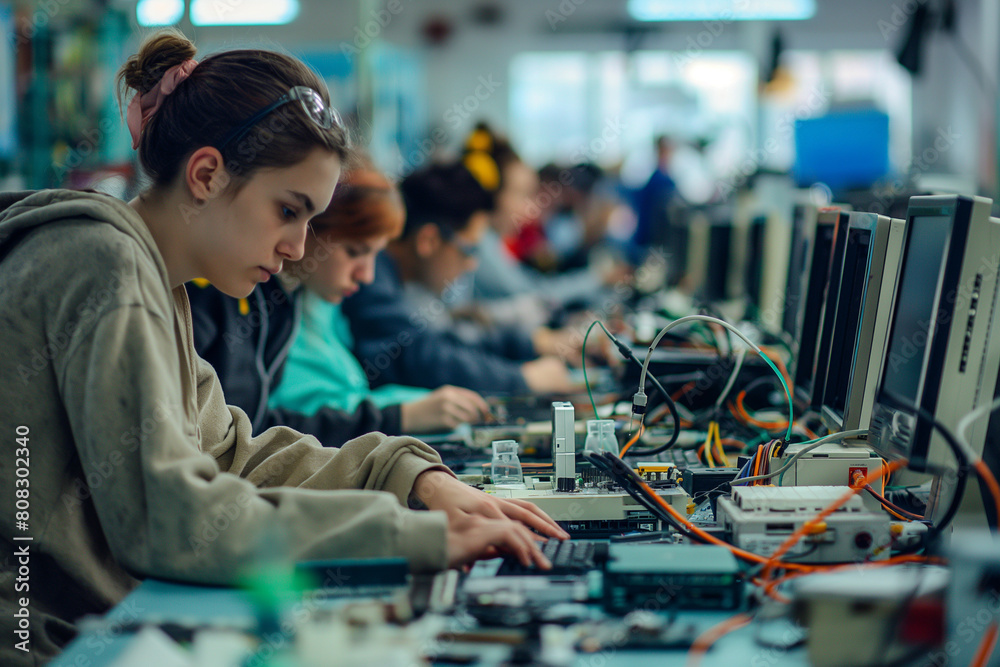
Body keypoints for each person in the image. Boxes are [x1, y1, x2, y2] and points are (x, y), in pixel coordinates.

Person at [0, 30, 564, 666]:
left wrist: (408, 476)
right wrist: (409, 536)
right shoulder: (102, 264)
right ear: (207, 174)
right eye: (288, 210)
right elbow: (172, 519)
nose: (299, 247)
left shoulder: (157, 282)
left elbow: (230, 454)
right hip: (36, 643)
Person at [188, 161, 491, 439]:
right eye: (355, 252)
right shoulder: (227, 298)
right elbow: (252, 433)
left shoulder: (293, 304)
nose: (367, 275)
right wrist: (395, 417)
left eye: (375, 255)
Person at [341, 162, 577, 395]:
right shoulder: (368, 277)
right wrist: (523, 379)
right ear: (429, 241)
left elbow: (445, 338)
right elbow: (418, 357)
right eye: (469, 250)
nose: (472, 264)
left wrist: (528, 343)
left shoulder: (398, 279)